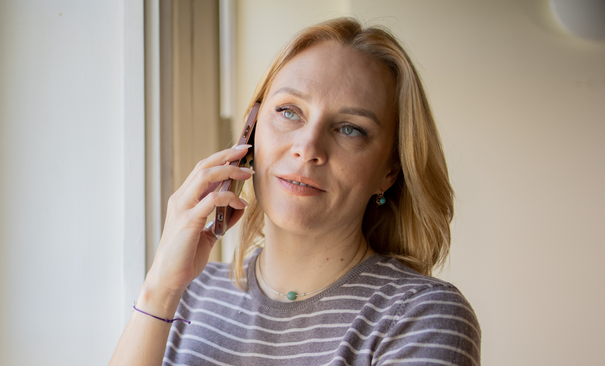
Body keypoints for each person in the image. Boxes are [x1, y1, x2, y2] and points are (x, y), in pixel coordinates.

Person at [110, 17, 481, 366]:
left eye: (350, 129)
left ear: (389, 171)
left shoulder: (422, 316)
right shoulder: (189, 293)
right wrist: (159, 288)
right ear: (251, 134)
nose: (308, 147)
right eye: (289, 112)